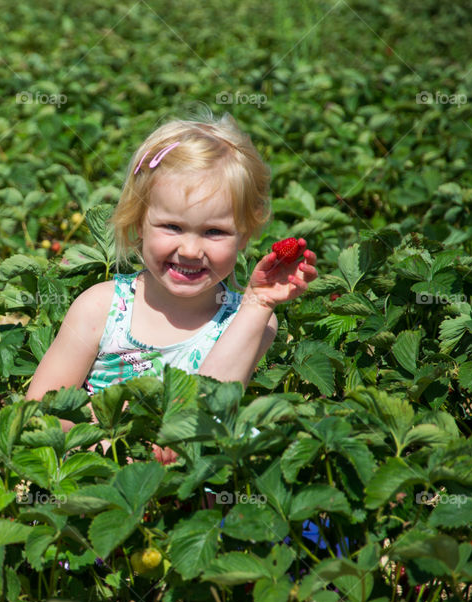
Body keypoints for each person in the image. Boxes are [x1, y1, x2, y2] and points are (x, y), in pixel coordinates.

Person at [24, 109, 318, 463]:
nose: (191, 250)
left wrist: (258, 304)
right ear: (137, 226)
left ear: (244, 236)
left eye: (214, 232)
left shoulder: (248, 319)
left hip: (190, 482)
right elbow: (39, 413)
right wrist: (111, 450)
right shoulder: (101, 309)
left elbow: (209, 409)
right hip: (97, 472)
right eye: (173, 227)